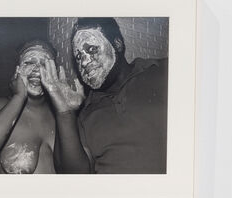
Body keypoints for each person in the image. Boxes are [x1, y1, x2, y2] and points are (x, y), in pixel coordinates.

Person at [43, 17, 169, 174]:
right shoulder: (84, 113)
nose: (84, 62)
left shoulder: (163, 72)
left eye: (91, 49)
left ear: (118, 45)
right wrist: (65, 113)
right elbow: (75, 175)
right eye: (79, 57)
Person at [0, 38, 60, 174]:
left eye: (44, 64)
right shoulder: (1, 107)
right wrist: (19, 97)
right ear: (17, 70)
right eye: (29, 62)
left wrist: (66, 113)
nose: (37, 69)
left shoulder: (63, 115)